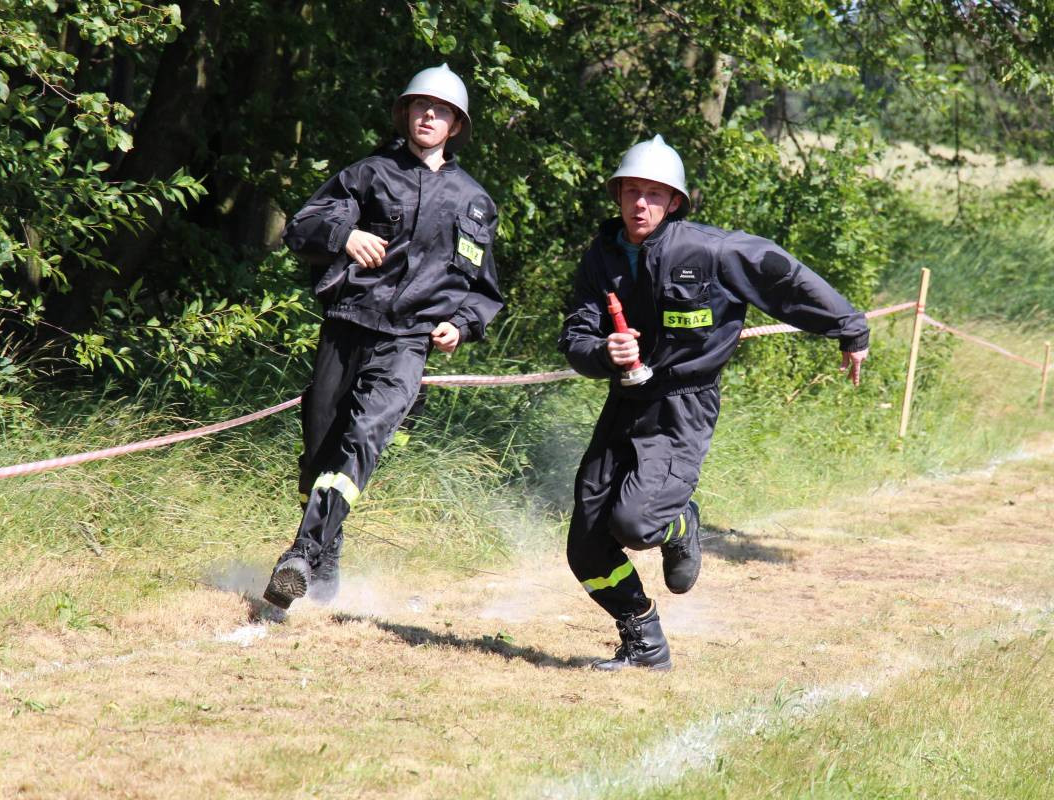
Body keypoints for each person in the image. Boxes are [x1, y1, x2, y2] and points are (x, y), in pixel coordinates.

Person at [558, 136, 869, 670]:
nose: (640, 204)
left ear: (674, 201)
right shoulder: (602, 254)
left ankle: (680, 524)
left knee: (635, 524)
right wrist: (604, 353)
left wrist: (848, 327)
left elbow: (786, 280)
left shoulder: (711, 251)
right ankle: (645, 645)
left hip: (683, 408)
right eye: (631, 191)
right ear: (617, 195)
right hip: (624, 403)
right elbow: (575, 335)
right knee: (585, 547)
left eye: (654, 194)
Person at [262, 64, 504, 611]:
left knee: (363, 437)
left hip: (408, 343)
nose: (428, 115)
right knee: (320, 453)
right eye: (420, 106)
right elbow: (299, 228)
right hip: (347, 327)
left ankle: (301, 554)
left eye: (440, 110)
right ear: (405, 114)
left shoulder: (475, 202)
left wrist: (460, 324)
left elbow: (486, 291)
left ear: (456, 125)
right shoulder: (368, 174)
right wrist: (344, 235)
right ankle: (324, 569)